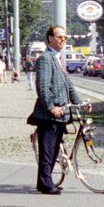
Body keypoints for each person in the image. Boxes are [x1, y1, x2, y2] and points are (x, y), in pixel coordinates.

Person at [30, 25, 85, 194]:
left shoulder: (58, 58)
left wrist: (80, 103)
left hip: (61, 113)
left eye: (65, 37)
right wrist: (50, 106)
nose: (63, 40)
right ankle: (45, 184)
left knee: (54, 149)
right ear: (50, 39)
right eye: (59, 37)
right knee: (47, 150)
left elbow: (69, 85)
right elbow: (43, 87)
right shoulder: (46, 58)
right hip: (49, 114)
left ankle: (45, 181)